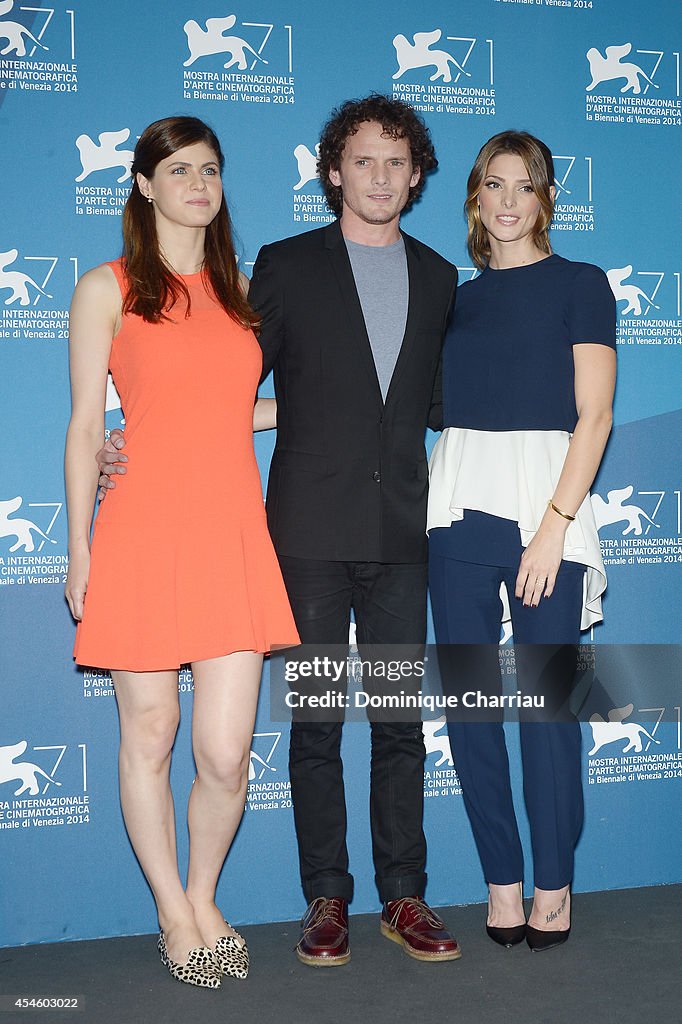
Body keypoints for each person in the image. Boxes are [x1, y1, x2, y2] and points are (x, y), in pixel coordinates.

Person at [98, 95, 461, 966]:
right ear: (332, 170)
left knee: (400, 722)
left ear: (416, 177)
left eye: (397, 162)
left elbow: (449, 405)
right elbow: (216, 380)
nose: (380, 175)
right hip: (298, 533)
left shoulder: (444, 277)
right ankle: (325, 899)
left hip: (401, 533)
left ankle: (402, 894)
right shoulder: (284, 267)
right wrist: (129, 432)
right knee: (316, 724)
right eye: (363, 160)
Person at [64, 115, 299, 988]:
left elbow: (230, 409)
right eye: (179, 169)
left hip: (231, 534)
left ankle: (206, 893)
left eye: (211, 169)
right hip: (140, 532)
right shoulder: (107, 287)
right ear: (144, 185)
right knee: (151, 733)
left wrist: (318, 410)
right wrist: (80, 551)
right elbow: (88, 426)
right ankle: (173, 910)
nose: (199, 183)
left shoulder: (242, 292)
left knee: (226, 752)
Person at [427, 130, 616, 951]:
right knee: (470, 709)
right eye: (492, 185)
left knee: (548, 712)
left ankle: (553, 885)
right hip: (459, 509)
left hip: (550, 512)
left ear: (546, 198)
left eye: (524, 186)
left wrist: (554, 528)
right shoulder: (450, 299)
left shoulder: (581, 283)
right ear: (474, 198)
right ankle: (501, 883)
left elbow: (596, 415)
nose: (507, 201)